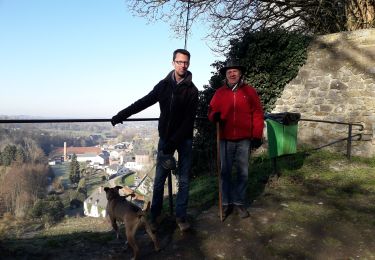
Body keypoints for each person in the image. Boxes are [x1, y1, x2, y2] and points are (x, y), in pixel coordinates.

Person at [111, 49, 198, 231]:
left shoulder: (192, 90)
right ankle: (155, 216)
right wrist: (122, 115)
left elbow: (189, 120)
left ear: (188, 64)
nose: (183, 65)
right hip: (166, 139)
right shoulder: (163, 86)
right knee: (159, 180)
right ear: (173, 62)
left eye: (186, 62)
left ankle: (181, 217)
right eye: (179, 62)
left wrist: (172, 142)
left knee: (184, 180)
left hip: (183, 140)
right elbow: (144, 102)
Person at [208, 60, 264, 219]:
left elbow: (258, 113)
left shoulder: (250, 91)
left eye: (235, 71)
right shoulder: (219, 93)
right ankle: (225, 203)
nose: (232, 74)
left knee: (243, 173)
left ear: (240, 74)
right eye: (229, 72)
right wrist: (214, 116)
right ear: (226, 75)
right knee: (225, 173)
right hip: (225, 139)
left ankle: (239, 202)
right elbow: (210, 111)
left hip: (244, 139)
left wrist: (257, 134)